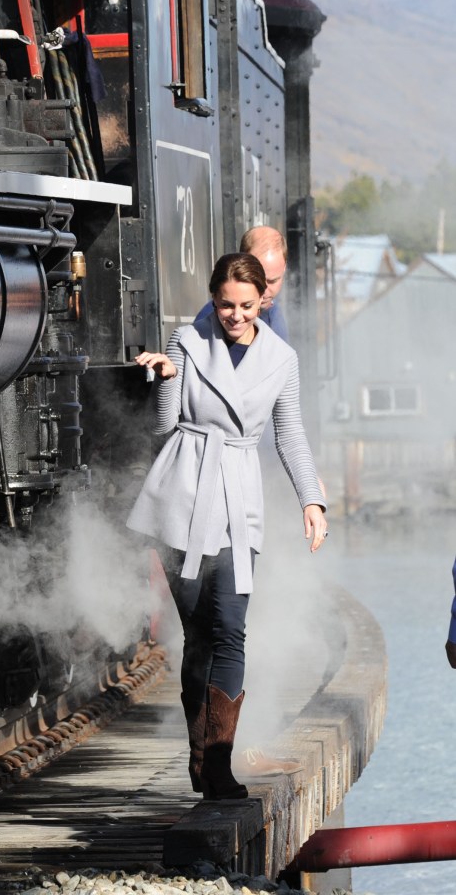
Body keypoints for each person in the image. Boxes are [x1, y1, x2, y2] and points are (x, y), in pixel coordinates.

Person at [127, 252, 327, 800]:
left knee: (232, 630)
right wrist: (165, 379)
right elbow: (166, 426)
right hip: (184, 496)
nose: (234, 316)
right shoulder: (185, 342)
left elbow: (290, 435)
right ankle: (200, 752)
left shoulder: (282, 359)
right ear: (212, 299)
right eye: (224, 305)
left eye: (245, 305)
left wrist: (312, 500)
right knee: (198, 636)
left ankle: (218, 761)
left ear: (263, 299)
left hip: (240, 500)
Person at [195, 226, 288, 342]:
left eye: (273, 281)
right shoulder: (209, 323)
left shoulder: (275, 314)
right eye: (256, 281)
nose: (264, 291)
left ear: (284, 268)